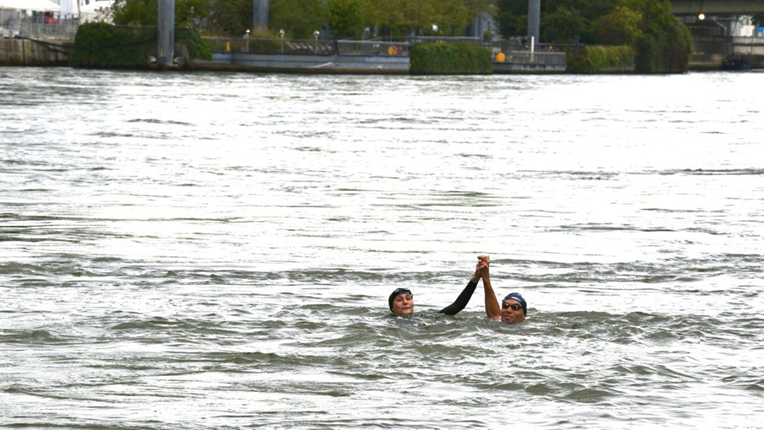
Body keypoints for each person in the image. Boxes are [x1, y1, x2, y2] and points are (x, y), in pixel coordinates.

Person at [388, 258, 488, 317]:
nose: (405, 302)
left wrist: (475, 278)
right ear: (392, 308)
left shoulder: (423, 318)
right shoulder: (386, 322)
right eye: (399, 300)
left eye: (408, 298)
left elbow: (458, 306)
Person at [478, 255, 527, 324]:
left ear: (523, 316)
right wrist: (485, 276)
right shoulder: (497, 325)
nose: (508, 310)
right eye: (505, 306)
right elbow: (494, 315)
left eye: (515, 307)